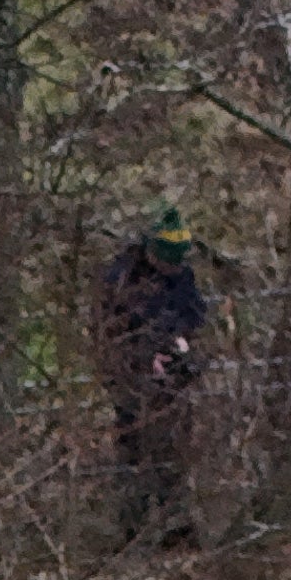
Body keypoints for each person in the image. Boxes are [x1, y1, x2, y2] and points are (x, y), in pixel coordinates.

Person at [98, 203, 211, 544]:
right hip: (131, 375)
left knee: (174, 447)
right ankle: (131, 527)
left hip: (173, 379)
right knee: (133, 447)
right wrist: (148, 354)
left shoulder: (181, 277)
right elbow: (115, 328)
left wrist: (178, 344)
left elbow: (195, 313)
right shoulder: (122, 279)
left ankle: (174, 525)